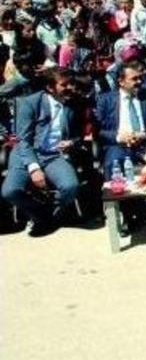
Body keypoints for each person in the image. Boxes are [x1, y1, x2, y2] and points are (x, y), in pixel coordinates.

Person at [1, 68, 85, 236]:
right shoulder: (31, 103)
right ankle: (42, 216)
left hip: (53, 154)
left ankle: (55, 215)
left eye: (72, 83)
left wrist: (72, 142)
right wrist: (34, 168)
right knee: (10, 191)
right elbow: (23, 140)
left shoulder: (75, 103)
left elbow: (79, 135)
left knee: (70, 186)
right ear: (50, 87)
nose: (70, 88)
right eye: (64, 85)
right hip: (26, 153)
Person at [95, 61, 146, 173]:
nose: (139, 82)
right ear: (121, 81)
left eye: (140, 78)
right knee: (113, 163)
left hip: (145, 144)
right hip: (119, 145)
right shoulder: (106, 100)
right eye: (134, 79)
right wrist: (119, 137)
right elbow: (98, 130)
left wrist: (144, 134)